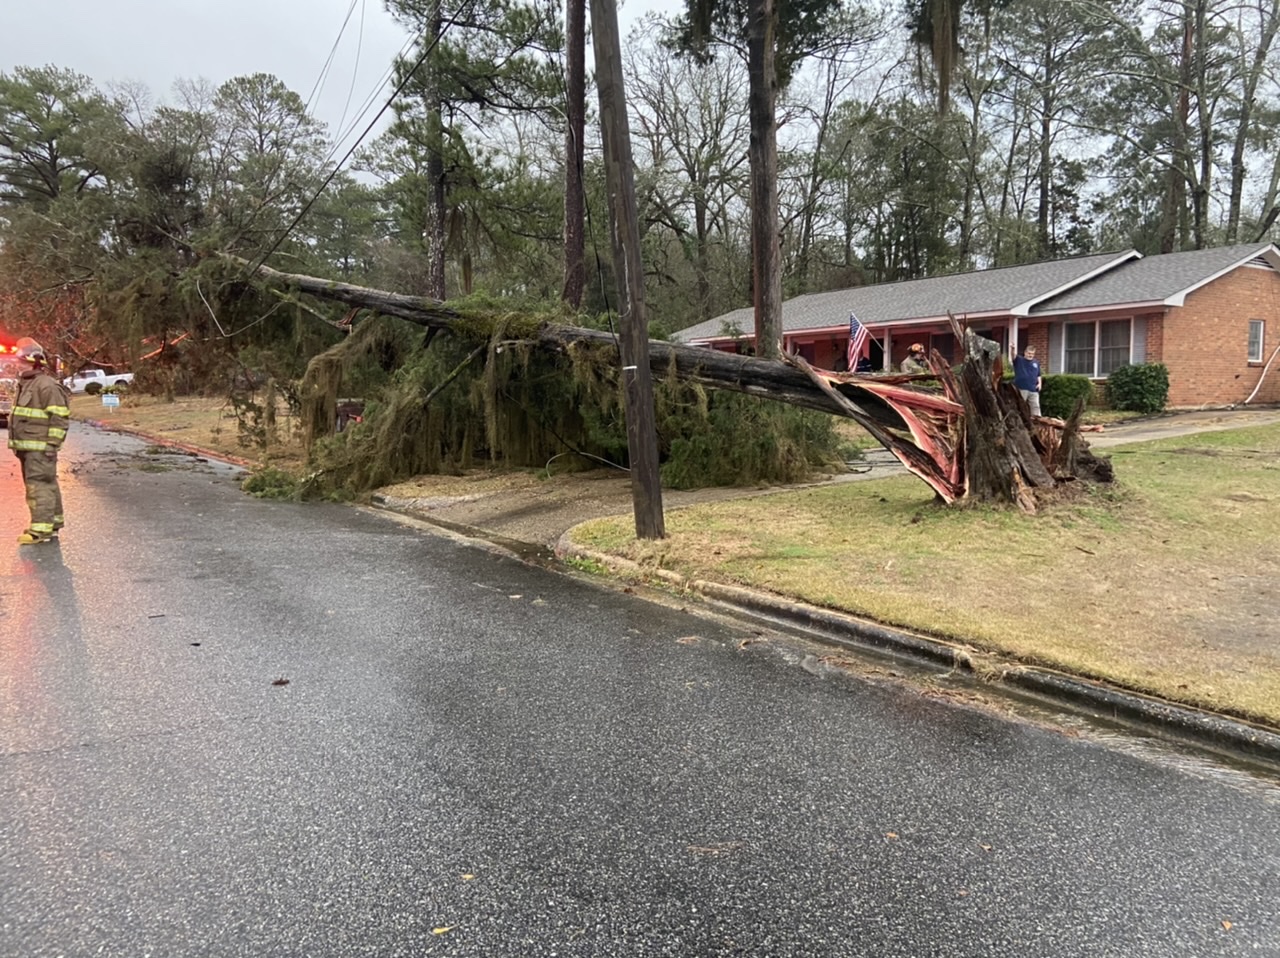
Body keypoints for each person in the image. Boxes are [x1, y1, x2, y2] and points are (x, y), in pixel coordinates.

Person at [8, 338, 70, 544]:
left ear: (32, 362)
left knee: (39, 486)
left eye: (21, 361)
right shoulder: (26, 384)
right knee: (46, 484)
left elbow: (59, 418)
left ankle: (39, 531)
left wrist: (52, 445)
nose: (17, 364)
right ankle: (51, 524)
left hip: (40, 449)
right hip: (28, 448)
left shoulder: (46, 386)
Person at [1012, 343, 1043, 417]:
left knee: (1035, 407)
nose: (1030, 355)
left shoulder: (1036, 363)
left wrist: (1039, 384)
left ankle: (1037, 422)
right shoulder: (1019, 360)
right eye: (1029, 353)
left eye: (1032, 354)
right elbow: (1013, 356)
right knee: (1020, 407)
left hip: (1033, 389)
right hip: (1022, 388)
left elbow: (1038, 375)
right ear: (1025, 352)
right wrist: (1012, 349)